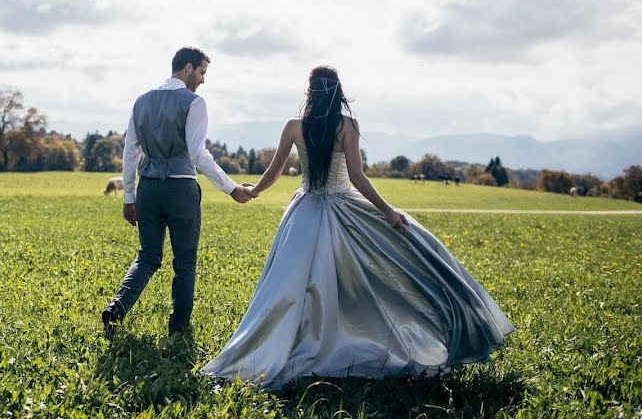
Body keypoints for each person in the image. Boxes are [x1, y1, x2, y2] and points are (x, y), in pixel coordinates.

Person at [202, 66, 514, 389]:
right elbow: (357, 178)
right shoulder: (347, 126)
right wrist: (388, 211)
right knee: (365, 278)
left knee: (291, 286)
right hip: (342, 208)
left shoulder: (295, 127)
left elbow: (274, 172)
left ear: (310, 91)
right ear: (337, 91)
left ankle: (295, 342)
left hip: (305, 212)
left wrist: (253, 190)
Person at [102, 47, 255, 337]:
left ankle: (117, 308)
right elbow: (198, 154)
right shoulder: (194, 103)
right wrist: (231, 188)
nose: (202, 80)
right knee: (185, 262)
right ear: (187, 68)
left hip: (148, 190)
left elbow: (130, 153)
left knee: (147, 256)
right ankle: (179, 328)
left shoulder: (141, 101)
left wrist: (129, 197)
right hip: (181, 190)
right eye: (201, 72)